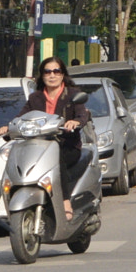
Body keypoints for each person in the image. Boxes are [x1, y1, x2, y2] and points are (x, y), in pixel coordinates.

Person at [27, 56, 91, 219]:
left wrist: (75, 122)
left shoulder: (73, 94)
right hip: (40, 149)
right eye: (47, 72)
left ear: (63, 74)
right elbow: (21, 117)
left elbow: (82, 115)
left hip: (67, 147)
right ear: (42, 75)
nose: (52, 75)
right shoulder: (35, 98)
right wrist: (8, 126)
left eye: (56, 71)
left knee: (56, 158)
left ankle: (65, 201)